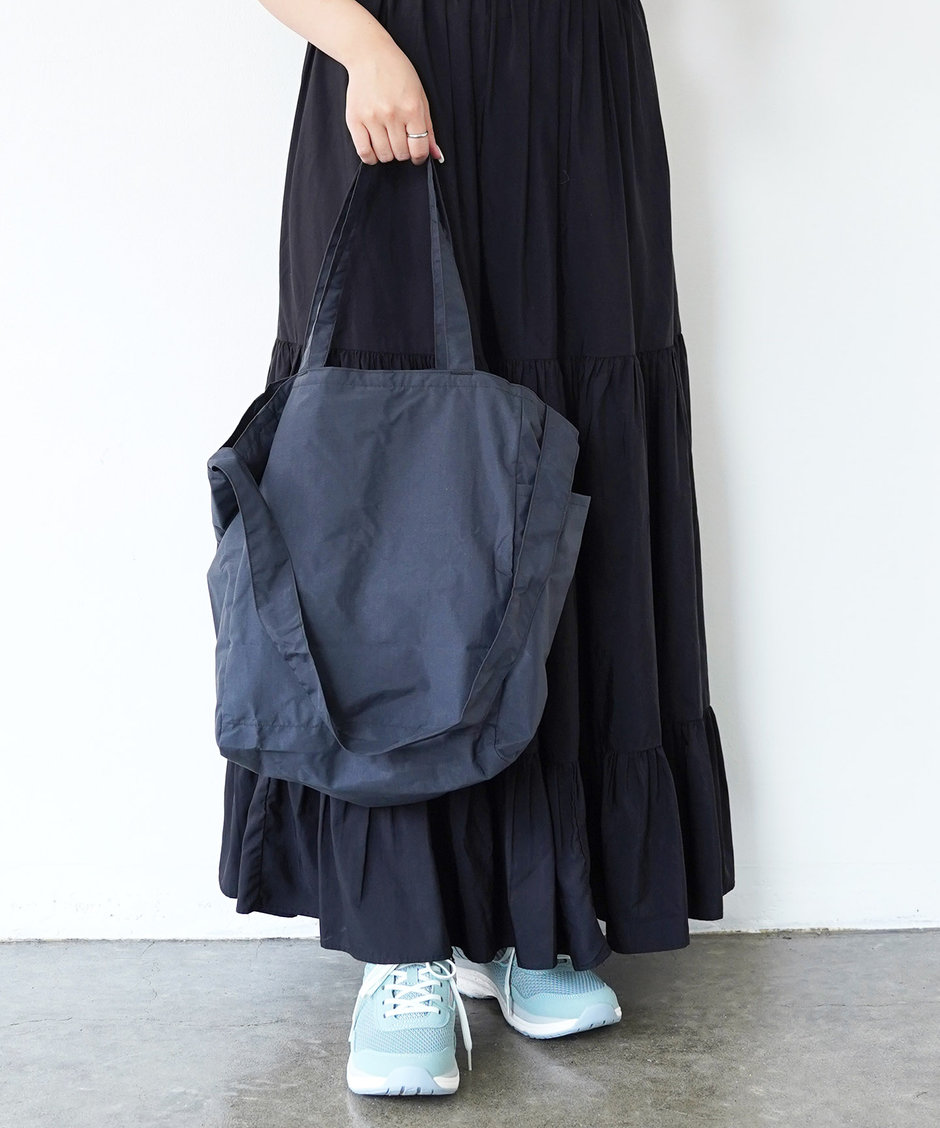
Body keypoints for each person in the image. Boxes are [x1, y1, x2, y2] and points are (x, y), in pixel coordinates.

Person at [218, 0, 735, 1098]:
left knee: (566, 475)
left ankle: (532, 915)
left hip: (577, 89)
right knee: (388, 495)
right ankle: (400, 945)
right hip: (394, 66)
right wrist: (363, 48)